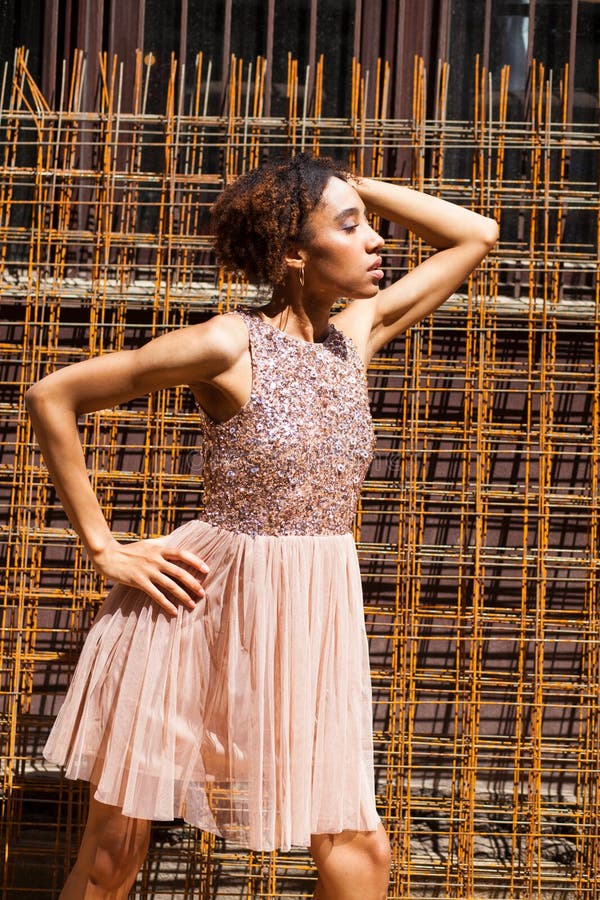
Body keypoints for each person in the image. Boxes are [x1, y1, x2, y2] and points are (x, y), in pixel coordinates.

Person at [26, 153, 498, 900]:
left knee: (360, 846)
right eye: (350, 227)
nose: (376, 240)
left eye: (370, 225)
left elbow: (476, 233)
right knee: (116, 853)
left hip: (312, 616)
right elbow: (53, 396)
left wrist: (344, 185)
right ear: (292, 252)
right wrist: (104, 549)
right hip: (196, 611)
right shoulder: (227, 343)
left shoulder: (356, 337)